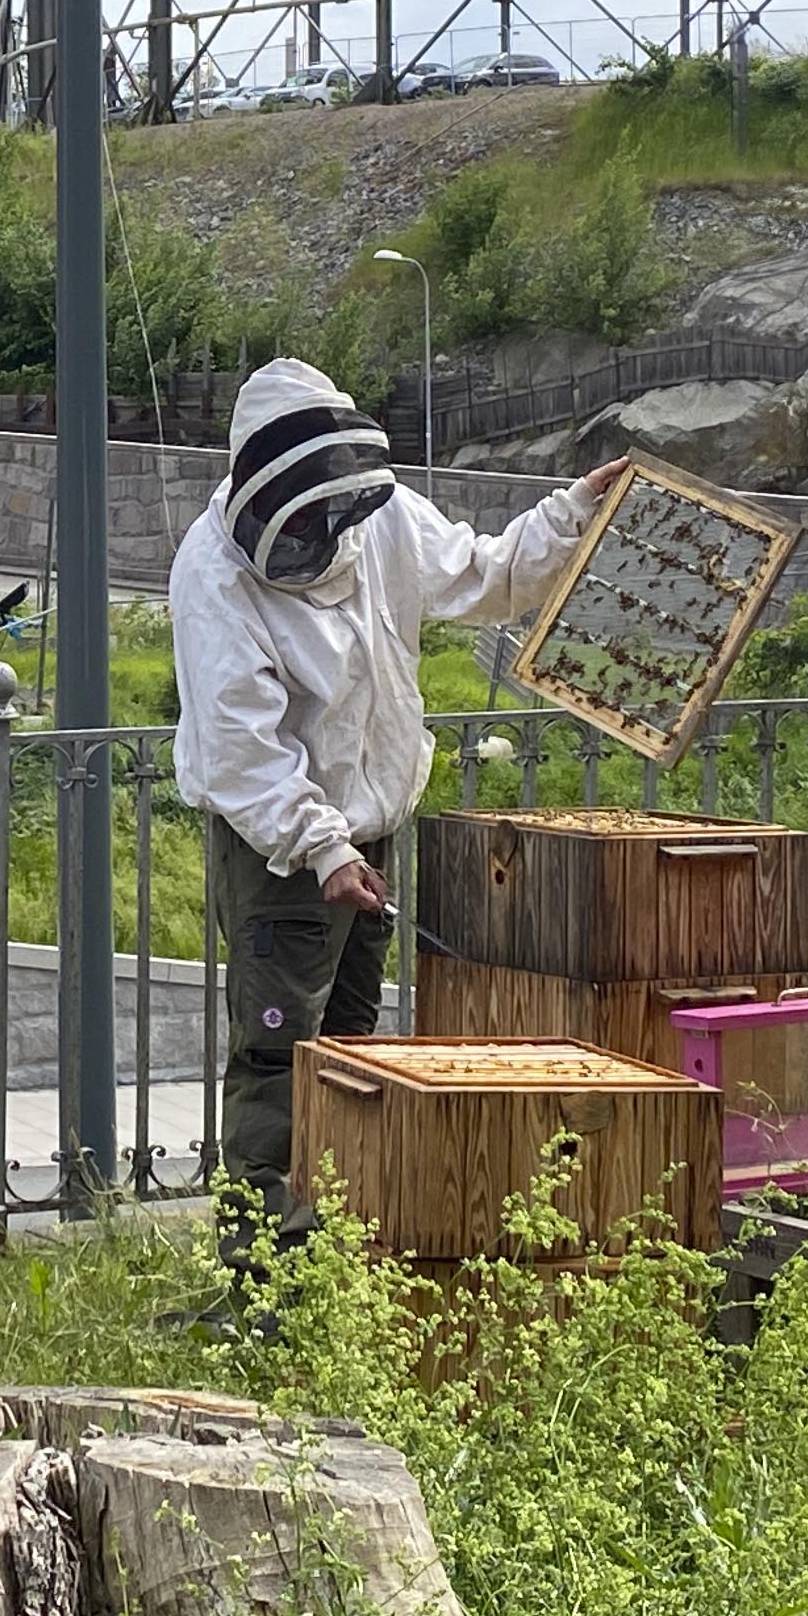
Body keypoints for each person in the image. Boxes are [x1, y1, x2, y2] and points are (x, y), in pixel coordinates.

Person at [170, 358, 624, 1269]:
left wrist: (571, 510)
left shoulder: (377, 518)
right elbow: (241, 749)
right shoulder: (213, 578)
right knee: (277, 1058)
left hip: (370, 834)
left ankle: (337, 1248)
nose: (321, 537)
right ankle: (266, 1277)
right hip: (282, 858)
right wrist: (323, 846)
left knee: (349, 1053)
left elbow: (484, 577)